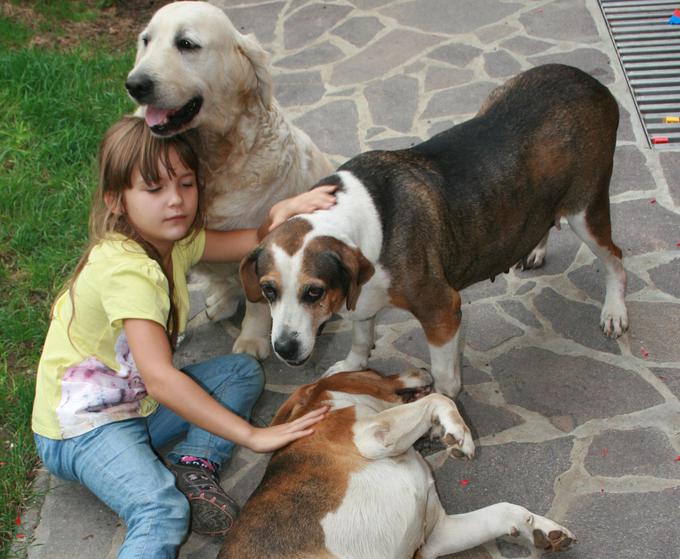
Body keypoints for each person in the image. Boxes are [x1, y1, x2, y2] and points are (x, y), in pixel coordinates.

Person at [31, 115, 335, 557]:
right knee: (161, 511)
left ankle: (193, 464)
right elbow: (161, 379)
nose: (176, 201)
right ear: (116, 200)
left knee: (240, 372)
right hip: (82, 428)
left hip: (137, 404)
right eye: (154, 189)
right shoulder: (126, 269)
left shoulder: (174, 240)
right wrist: (253, 436)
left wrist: (284, 211)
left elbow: (250, 243)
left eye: (186, 184)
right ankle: (174, 484)